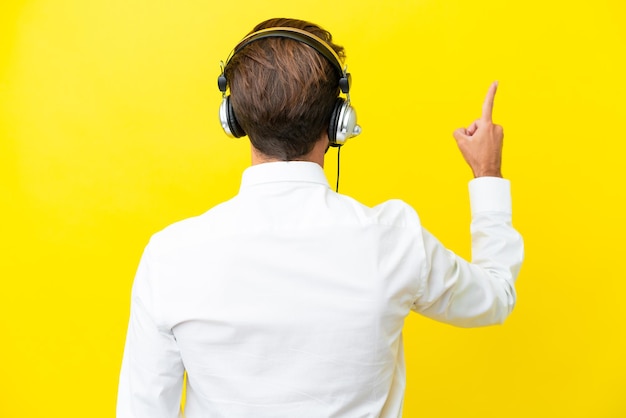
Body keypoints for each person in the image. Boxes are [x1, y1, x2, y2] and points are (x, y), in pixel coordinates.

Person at [117, 17, 523, 418]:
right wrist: (487, 175)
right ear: (338, 121)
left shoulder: (170, 256)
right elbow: (496, 297)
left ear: (234, 118)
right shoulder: (394, 241)